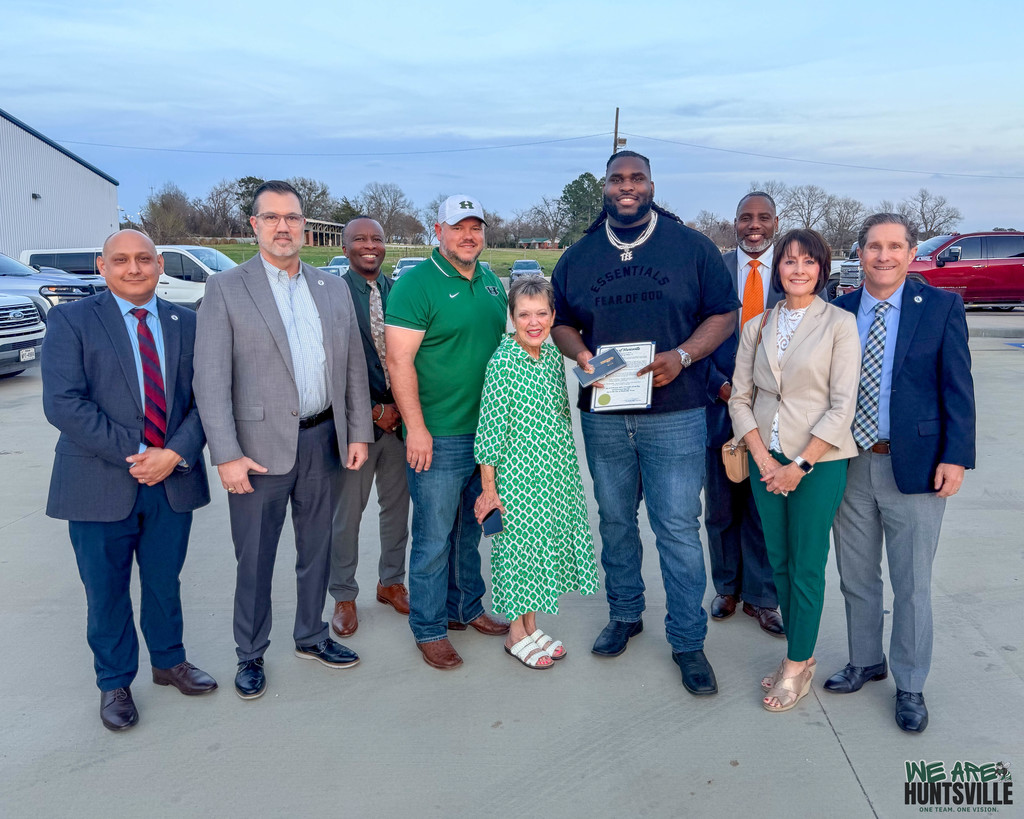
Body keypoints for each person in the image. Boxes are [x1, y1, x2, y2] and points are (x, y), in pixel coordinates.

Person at [551, 151, 738, 695]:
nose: (626, 187)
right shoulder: (579, 256)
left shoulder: (691, 247)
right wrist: (583, 357)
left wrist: (682, 355)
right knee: (614, 521)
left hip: (676, 413)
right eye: (617, 179)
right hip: (607, 416)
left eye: (636, 178)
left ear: (652, 184)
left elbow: (723, 313)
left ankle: (687, 641)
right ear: (604, 187)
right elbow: (562, 321)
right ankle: (626, 613)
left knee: (677, 529)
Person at [193, 180, 373, 700]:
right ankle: (250, 653)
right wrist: (225, 455)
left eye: (292, 218)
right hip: (256, 453)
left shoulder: (331, 288)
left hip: (323, 441)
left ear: (305, 226)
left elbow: (353, 369)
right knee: (255, 558)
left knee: (317, 548)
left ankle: (312, 636)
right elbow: (209, 380)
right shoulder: (227, 289)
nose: (282, 227)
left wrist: (357, 431)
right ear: (254, 226)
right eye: (270, 217)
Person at [42, 229, 216, 732]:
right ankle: (114, 681)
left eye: (144, 259)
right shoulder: (72, 320)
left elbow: (207, 399)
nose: (134, 268)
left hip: (172, 481)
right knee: (106, 588)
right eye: (121, 260)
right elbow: (64, 403)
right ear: (101, 265)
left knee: (164, 582)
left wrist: (176, 453)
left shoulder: (188, 322)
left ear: (161, 265)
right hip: (97, 481)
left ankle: (168, 662)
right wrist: (140, 454)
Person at [826, 213, 976, 733]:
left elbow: (958, 388)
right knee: (856, 576)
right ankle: (866, 660)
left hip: (916, 467)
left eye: (894, 246)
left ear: (911, 254)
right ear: (860, 253)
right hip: (849, 464)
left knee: (911, 583)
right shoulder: (838, 311)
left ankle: (910, 683)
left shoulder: (940, 306)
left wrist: (955, 457)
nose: (883, 256)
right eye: (873, 246)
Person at [729, 228, 861, 712]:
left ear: (821, 269)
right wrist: (764, 458)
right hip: (767, 461)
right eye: (789, 261)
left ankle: (797, 663)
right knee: (778, 561)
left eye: (808, 261)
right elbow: (741, 397)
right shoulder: (757, 326)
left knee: (806, 565)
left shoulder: (840, 324)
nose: (798, 269)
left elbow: (842, 405)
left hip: (819, 463)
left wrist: (800, 464)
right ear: (777, 268)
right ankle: (797, 656)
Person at [385, 195, 511, 670]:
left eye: (476, 227)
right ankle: (430, 627)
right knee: (434, 537)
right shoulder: (416, 285)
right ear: (438, 231)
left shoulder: (492, 283)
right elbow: (399, 361)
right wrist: (415, 428)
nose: (468, 236)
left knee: (469, 531)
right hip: (437, 435)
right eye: (459, 227)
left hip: (485, 437)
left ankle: (467, 608)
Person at [474, 276, 600, 669]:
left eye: (541, 314)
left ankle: (531, 627)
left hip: (554, 472)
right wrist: (490, 490)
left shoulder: (548, 359)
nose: (533, 322)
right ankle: (515, 633)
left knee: (543, 550)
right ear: (511, 317)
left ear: (552, 316)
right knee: (518, 554)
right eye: (524, 314)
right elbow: (489, 433)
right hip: (518, 477)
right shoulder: (503, 362)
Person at [705, 192, 785, 636]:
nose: (754, 225)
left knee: (764, 506)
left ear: (776, 222)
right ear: (734, 222)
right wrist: (721, 387)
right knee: (720, 507)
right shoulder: (715, 267)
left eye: (763, 218)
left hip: (775, 413)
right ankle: (727, 588)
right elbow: (693, 331)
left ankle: (763, 596)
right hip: (718, 404)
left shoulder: (794, 268)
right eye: (745, 218)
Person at [328, 216, 410, 638]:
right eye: (359, 239)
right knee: (348, 515)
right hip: (357, 427)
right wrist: (373, 412)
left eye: (376, 239)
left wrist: (402, 409)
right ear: (345, 248)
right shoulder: (332, 294)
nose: (369, 245)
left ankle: (390, 582)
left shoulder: (399, 292)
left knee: (397, 510)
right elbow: (328, 366)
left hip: (402, 425)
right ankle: (343, 594)